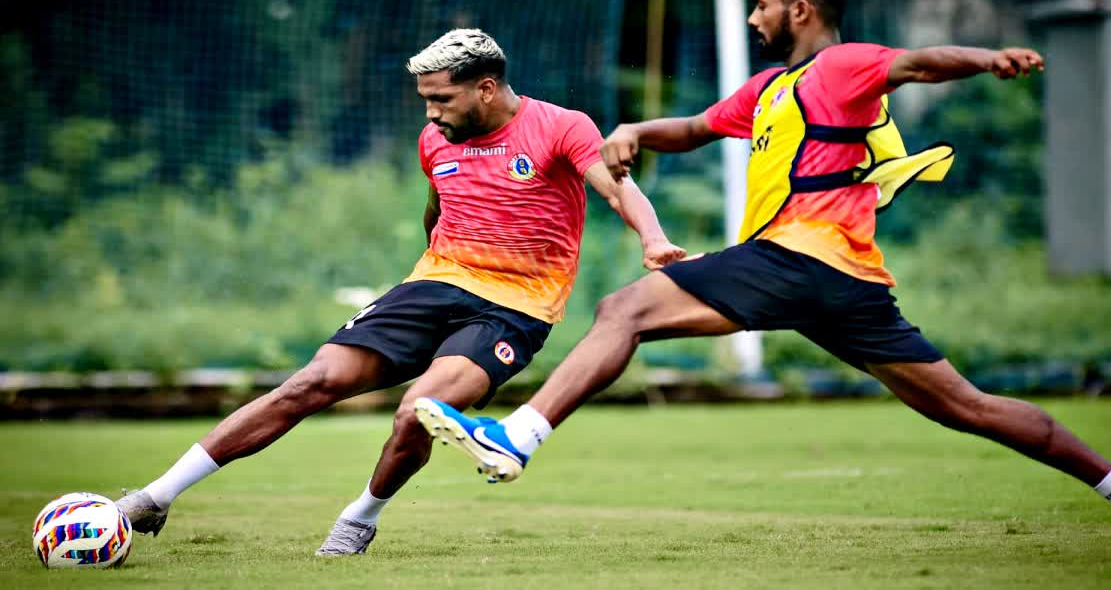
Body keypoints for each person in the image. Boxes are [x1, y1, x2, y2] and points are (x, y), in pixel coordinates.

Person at [413, 0, 1111, 561]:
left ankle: (519, 435)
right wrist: (635, 134)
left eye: (759, 4)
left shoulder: (839, 66)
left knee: (625, 309)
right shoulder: (772, 90)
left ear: (800, 9)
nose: (752, 17)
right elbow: (693, 127)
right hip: (843, 280)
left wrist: (988, 58)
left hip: (801, 257)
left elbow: (918, 62)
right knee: (967, 406)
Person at [115, 28, 686, 556]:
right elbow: (437, 209)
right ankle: (152, 499)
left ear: (486, 89)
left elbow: (618, 190)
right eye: (426, 101)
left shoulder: (562, 127)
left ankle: (359, 520)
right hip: (434, 284)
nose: (432, 113)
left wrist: (654, 240)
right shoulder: (434, 141)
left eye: (442, 99)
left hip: (517, 306)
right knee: (310, 382)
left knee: (418, 414)